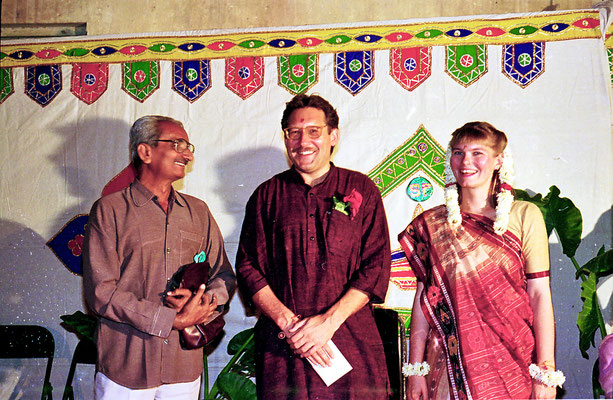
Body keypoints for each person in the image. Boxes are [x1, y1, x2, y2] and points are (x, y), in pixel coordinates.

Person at [235, 94, 392, 399]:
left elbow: (376, 265)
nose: (302, 141)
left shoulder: (361, 189)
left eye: (313, 131)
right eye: (293, 132)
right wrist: (290, 325)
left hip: (348, 340)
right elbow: (247, 266)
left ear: (333, 136)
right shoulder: (267, 196)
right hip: (284, 344)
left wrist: (327, 324)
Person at [398, 122, 563, 399]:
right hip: (450, 366)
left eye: (478, 153)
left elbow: (539, 294)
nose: (466, 162)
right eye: (459, 153)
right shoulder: (431, 224)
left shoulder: (524, 215)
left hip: (514, 360)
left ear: (499, 161)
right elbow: (422, 300)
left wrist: (545, 372)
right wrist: (416, 371)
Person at [83, 115, 236, 399]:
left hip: (183, 367)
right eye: (177, 144)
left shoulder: (198, 211)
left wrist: (202, 304)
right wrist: (167, 320)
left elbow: (223, 276)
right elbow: (101, 292)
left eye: (189, 146)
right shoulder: (110, 210)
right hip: (125, 368)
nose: (188, 154)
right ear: (145, 151)